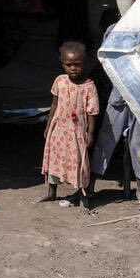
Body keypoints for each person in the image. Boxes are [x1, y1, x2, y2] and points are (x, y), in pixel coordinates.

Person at [40, 40, 99, 209]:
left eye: (77, 64)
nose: (73, 68)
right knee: (54, 159)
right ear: (63, 64)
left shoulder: (89, 86)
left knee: (79, 163)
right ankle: (52, 192)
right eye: (69, 64)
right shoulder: (60, 81)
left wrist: (91, 133)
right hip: (59, 129)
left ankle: (82, 194)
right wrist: (48, 124)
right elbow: (54, 104)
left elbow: (92, 112)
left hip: (77, 132)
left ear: (84, 63)